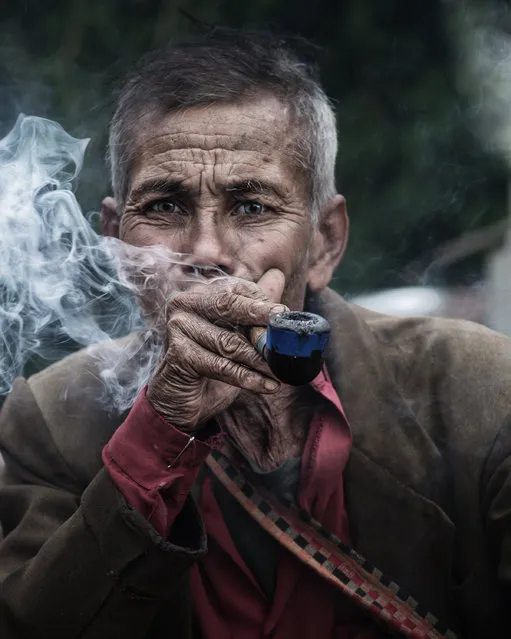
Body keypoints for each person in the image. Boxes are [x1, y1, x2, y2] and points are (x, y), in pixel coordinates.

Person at [1, 28, 511, 639]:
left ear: (324, 242)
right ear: (115, 244)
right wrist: (160, 431)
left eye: (252, 207)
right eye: (164, 206)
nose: (207, 252)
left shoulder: (482, 394)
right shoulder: (49, 421)